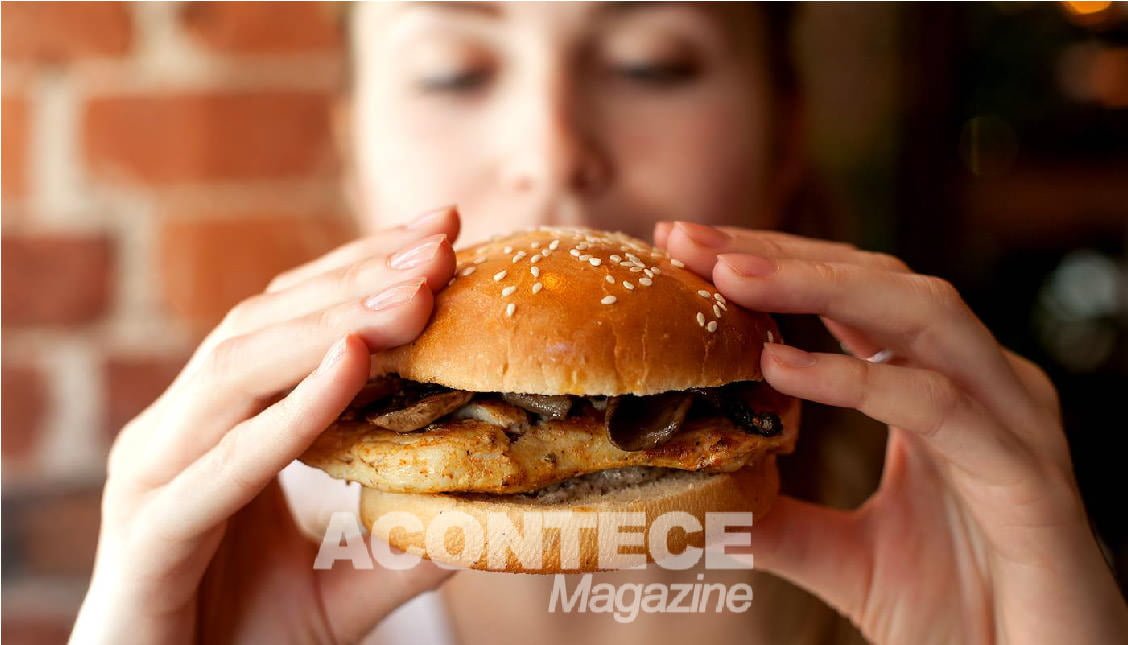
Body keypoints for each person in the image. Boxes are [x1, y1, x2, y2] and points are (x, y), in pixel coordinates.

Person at [70, 3, 1127, 644]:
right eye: (453, 69)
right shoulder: (241, 572)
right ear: (352, 149)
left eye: (651, 61)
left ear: (785, 129)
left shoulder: (980, 555)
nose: (553, 151)